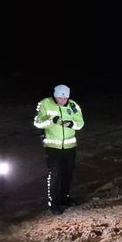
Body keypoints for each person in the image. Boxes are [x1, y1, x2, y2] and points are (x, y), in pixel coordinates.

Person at [33, 84, 84, 215]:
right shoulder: (45, 103)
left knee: (67, 174)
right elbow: (38, 122)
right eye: (59, 98)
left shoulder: (73, 106)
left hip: (70, 147)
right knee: (54, 175)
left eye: (65, 98)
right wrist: (52, 120)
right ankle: (54, 204)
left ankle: (65, 198)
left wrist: (71, 124)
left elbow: (80, 123)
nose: (62, 101)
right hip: (53, 147)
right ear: (55, 96)